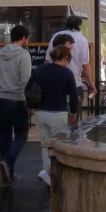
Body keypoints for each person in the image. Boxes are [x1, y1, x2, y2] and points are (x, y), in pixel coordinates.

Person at [26, 36, 79, 187]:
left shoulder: (40, 70)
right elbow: (74, 97)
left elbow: (28, 88)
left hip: (40, 112)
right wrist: (73, 113)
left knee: (45, 145)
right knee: (59, 145)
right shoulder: (66, 73)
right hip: (58, 113)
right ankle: (55, 176)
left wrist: (31, 106)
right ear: (66, 58)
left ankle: (47, 173)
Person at [0, 24, 32, 184]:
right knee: (22, 134)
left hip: (0, 100)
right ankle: (7, 161)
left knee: (5, 135)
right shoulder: (24, 55)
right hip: (17, 100)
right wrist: (28, 103)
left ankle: (8, 171)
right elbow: (25, 82)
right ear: (23, 38)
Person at [45, 16, 97, 97]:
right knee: (74, 108)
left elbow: (47, 60)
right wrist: (91, 83)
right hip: (75, 82)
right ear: (79, 26)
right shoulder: (82, 39)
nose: (71, 47)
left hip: (54, 82)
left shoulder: (56, 36)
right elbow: (85, 64)